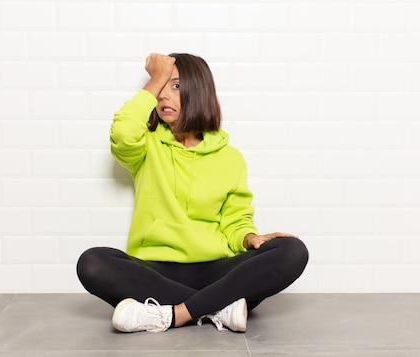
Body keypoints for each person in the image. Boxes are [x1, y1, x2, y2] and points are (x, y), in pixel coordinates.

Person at [76, 53, 309, 333]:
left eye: (174, 86)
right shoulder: (145, 146)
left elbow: (235, 221)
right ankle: (217, 308)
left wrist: (249, 237)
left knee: (292, 250)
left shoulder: (230, 158)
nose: (163, 96)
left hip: (216, 270)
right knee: (91, 262)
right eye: (160, 87)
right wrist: (157, 77)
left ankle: (173, 314)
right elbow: (123, 133)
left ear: (198, 91)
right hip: (156, 270)